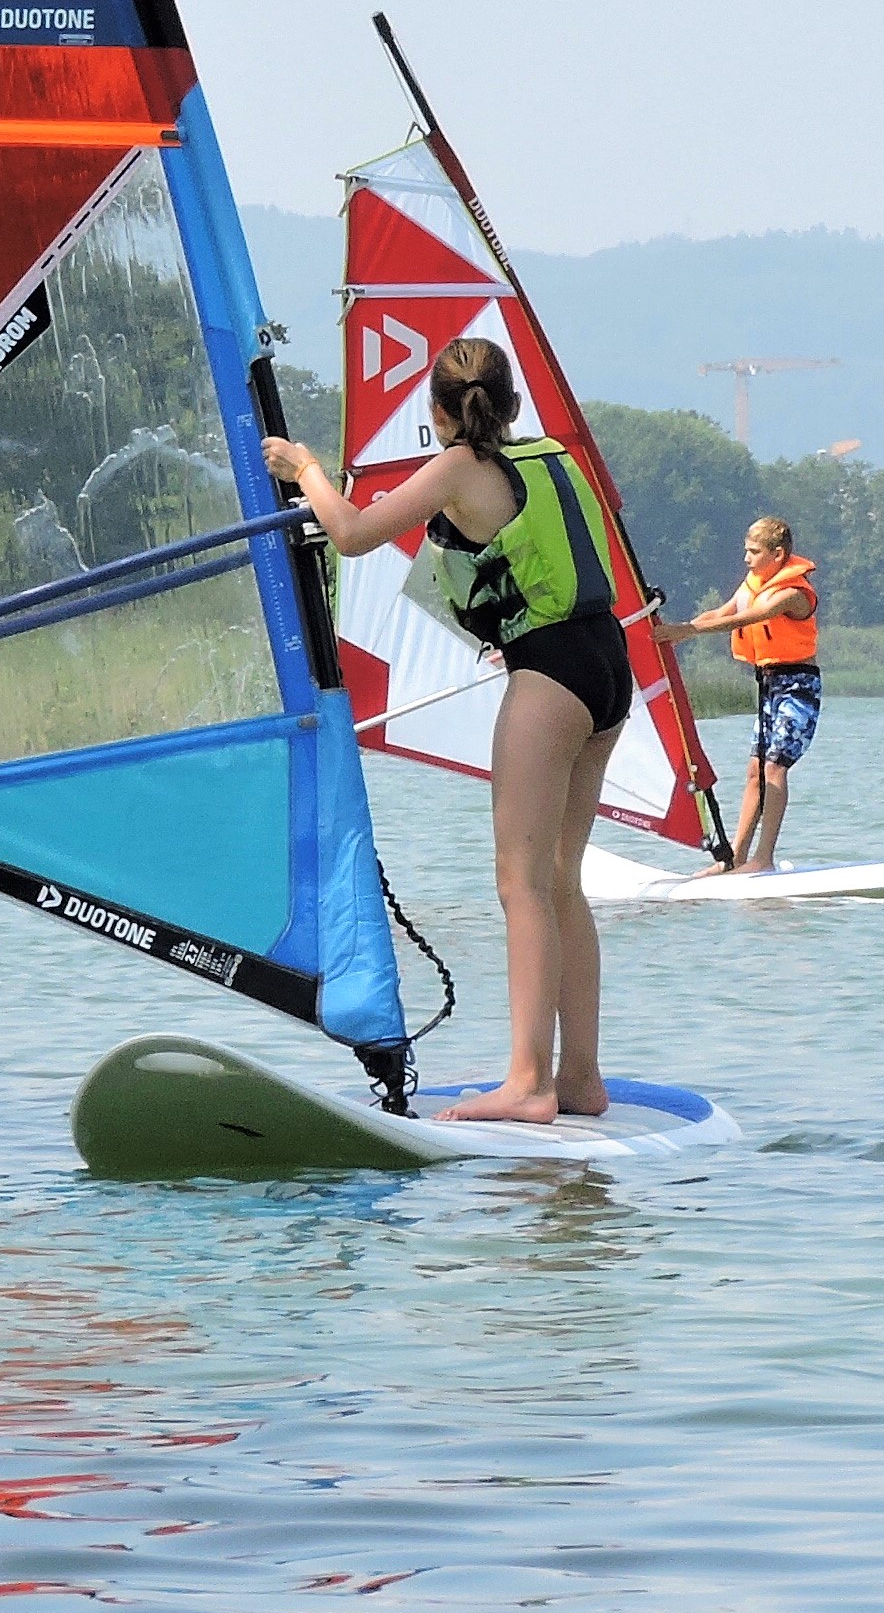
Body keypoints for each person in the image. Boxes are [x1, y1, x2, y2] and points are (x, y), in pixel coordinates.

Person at [264, 338, 629, 1122]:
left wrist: (306, 471)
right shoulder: (549, 456)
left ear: (438, 412)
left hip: (552, 672)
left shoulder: (462, 466)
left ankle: (528, 1083)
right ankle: (581, 1078)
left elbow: (353, 532)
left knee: (520, 884)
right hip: (608, 664)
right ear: (514, 405)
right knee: (562, 878)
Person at [659, 518, 823, 875]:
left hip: (798, 687)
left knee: (774, 767)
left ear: (777, 555)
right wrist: (669, 631)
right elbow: (721, 614)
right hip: (768, 685)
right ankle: (734, 857)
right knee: (754, 772)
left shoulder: (793, 594)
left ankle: (763, 858)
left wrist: (685, 631)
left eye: (754, 552)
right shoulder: (752, 585)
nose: (746, 559)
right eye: (745, 551)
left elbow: (746, 619)